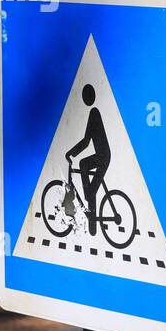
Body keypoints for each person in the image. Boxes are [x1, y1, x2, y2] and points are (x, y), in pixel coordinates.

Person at [66, 85, 110, 236]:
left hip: (103, 156)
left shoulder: (94, 112)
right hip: (102, 155)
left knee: (83, 164)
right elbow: (86, 141)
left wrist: (71, 153)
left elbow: (86, 141)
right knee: (91, 189)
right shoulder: (94, 112)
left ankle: (87, 197)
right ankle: (91, 221)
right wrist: (71, 153)